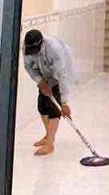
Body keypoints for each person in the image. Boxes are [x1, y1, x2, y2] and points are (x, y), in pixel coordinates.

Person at [23, 29, 76, 157]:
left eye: (35, 50)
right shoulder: (26, 48)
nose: (33, 53)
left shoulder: (54, 49)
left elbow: (62, 76)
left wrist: (64, 103)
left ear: (41, 43)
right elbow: (28, 67)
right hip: (44, 73)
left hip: (60, 72)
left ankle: (50, 143)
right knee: (42, 106)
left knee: (54, 109)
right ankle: (48, 135)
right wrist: (40, 81)